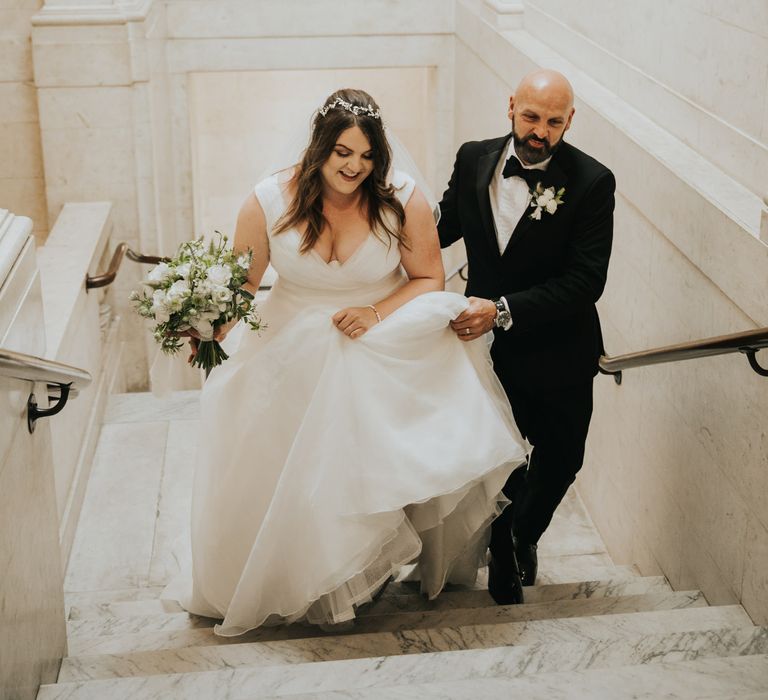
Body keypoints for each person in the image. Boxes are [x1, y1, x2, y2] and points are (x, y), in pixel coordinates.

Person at [176, 88, 528, 635]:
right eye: (343, 153)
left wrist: (374, 311)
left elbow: (429, 277)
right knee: (278, 461)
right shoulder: (267, 201)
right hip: (287, 344)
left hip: (376, 335)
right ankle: (293, 573)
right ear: (319, 147)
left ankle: (363, 568)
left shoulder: (401, 199)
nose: (355, 167)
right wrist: (205, 323)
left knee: (365, 454)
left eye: (366, 156)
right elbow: (243, 286)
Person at [437, 70, 615, 604]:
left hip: (561, 348)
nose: (540, 132)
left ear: (570, 121)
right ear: (511, 106)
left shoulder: (592, 180)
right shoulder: (473, 158)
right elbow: (440, 227)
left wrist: (505, 309)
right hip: (489, 352)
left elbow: (586, 282)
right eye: (531, 117)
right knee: (502, 454)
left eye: (553, 122)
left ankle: (525, 533)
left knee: (562, 457)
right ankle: (503, 553)